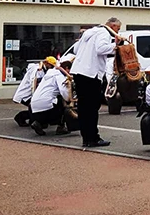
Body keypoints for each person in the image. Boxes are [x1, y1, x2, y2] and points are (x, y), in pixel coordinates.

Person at [72, 17, 121, 148]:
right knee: (92, 108)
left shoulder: (89, 32)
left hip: (79, 71)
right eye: (118, 28)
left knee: (83, 108)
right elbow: (100, 49)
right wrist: (115, 45)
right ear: (112, 26)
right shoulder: (104, 33)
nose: (118, 32)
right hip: (91, 73)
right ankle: (93, 137)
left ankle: (86, 137)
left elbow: (76, 50)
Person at [30, 59, 73, 136]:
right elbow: (65, 93)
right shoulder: (59, 76)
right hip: (46, 103)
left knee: (50, 106)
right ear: (66, 68)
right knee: (62, 102)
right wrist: (69, 99)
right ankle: (61, 127)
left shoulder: (48, 74)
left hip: (34, 104)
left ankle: (38, 123)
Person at [12, 56, 57, 126]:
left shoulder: (43, 70)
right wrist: (35, 96)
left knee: (36, 108)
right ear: (46, 63)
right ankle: (21, 117)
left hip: (31, 94)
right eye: (51, 66)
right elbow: (33, 83)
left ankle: (31, 120)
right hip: (26, 94)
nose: (51, 68)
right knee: (34, 108)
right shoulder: (36, 69)